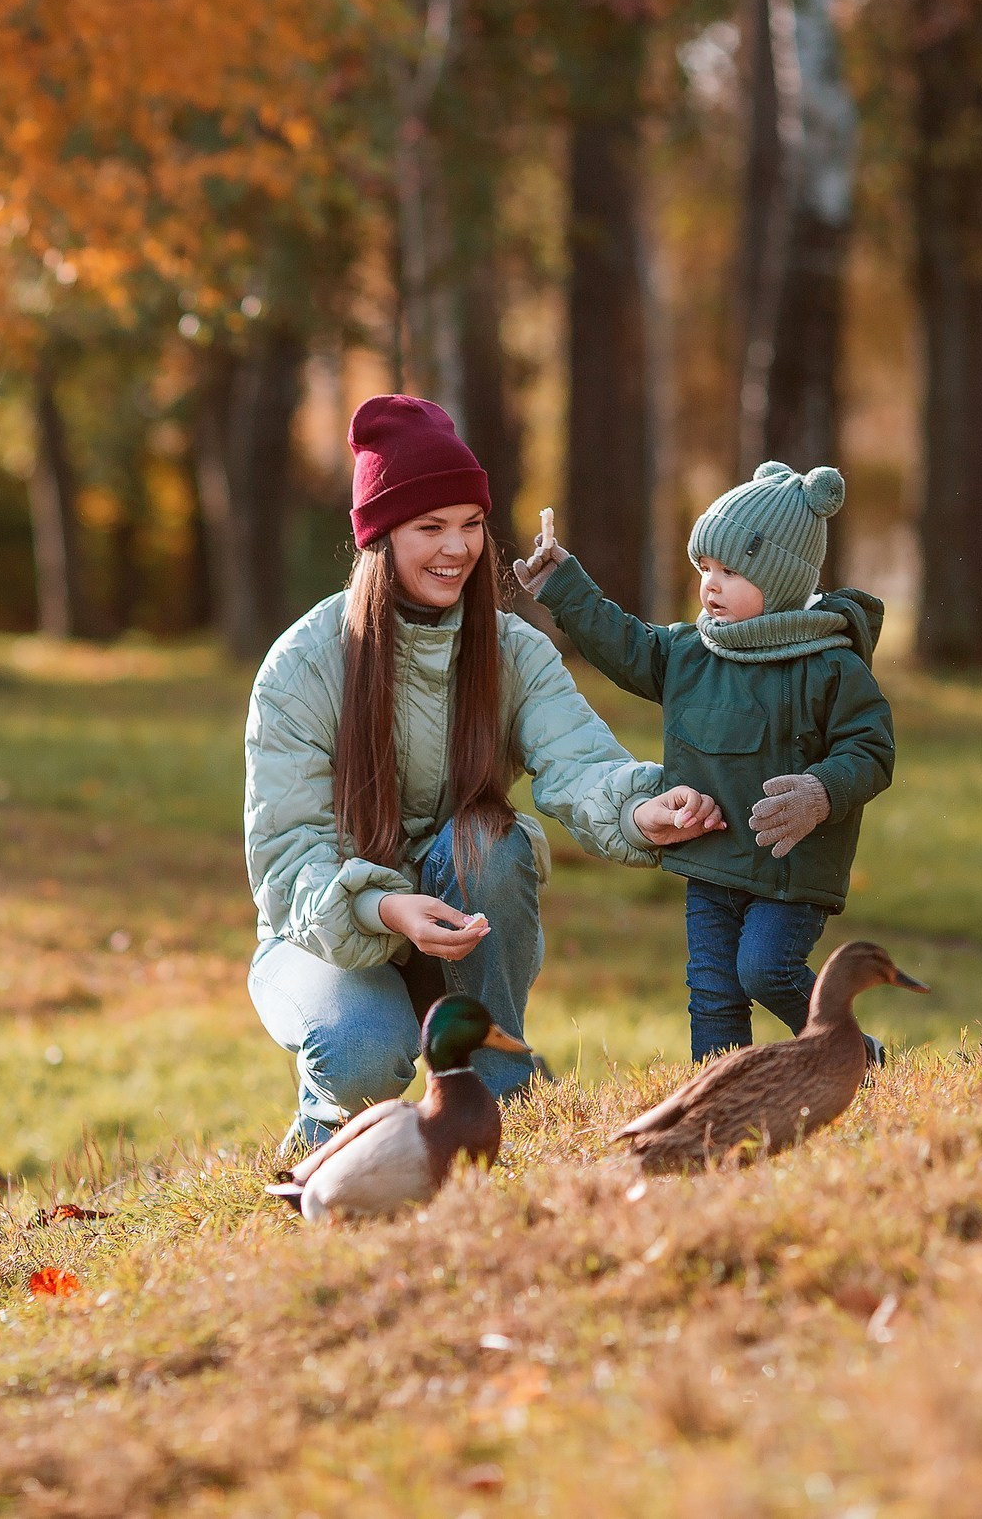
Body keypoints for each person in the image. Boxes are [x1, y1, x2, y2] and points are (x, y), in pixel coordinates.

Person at [244, 395, 725, 1147]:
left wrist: (642, 810)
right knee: (364, 1051)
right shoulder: (302, 666)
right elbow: (286, 858)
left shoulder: (513, 653)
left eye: (471, 524)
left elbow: (580, 762)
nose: (456, 548)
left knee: (492, 840)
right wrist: (383, 908)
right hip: (322, 936)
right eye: (430, 527)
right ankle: (323, 1131)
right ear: (379, 538)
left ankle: (504, 1096)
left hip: (457, 927)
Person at [517, 462, 894, 1061]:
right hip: (711, 856)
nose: (710, 585)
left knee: (765, 970)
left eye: (731, 571)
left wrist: (821, 791)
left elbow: (871, 749)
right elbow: (625, 645)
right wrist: (565, 586)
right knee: (714, 993)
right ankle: (716, 1099)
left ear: (781, 578)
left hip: (788, 868)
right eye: (705, 568)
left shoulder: (829, 666)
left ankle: (851, 1051)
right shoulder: (690, 654)